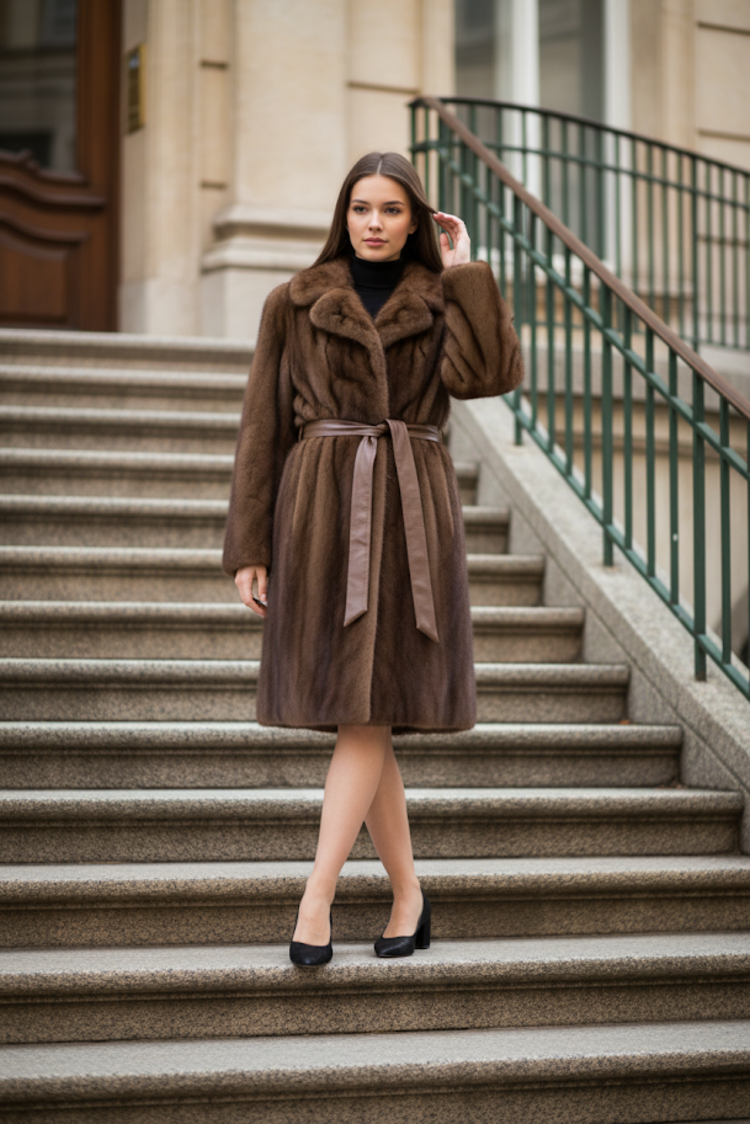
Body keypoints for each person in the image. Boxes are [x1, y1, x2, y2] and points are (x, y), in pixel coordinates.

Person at [223, 151, 524, 966]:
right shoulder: (293, 300)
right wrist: (250, 545)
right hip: (321, 510)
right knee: (367, 711)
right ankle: (408, 893)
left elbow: (490, 375)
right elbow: (261, 427)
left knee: (368, 711)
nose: (375, 223)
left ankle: (316, 898)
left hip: (411, 509)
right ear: (343, 214)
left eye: (392, 209)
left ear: (415, 219)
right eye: (362, 207)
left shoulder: (440, 295)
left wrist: (465, 275)